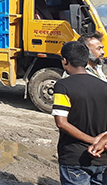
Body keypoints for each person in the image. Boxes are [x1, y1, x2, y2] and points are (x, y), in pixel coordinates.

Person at [52, 41, 107, 184]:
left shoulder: (63, 86)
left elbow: (61, 123)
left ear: (65, 61)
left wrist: (92, 140)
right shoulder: (104, 86)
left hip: (74, 158)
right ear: (86, 60)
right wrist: (101, 141)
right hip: (103, 158)